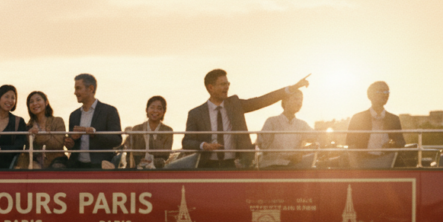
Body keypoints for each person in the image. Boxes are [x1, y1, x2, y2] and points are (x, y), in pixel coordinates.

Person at [182, 69, 310, 168]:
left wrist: (292, 88)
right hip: (206, 166)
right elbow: (186, 142)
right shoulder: (196, 113)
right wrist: (204, 145)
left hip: (232, 166)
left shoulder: (235, 104)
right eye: (222, 84)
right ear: (211, 87)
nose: (227, 87)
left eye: (228, 83)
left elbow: (262, 101)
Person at [64, 74, 122, 168]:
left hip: (100, 166)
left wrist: (94, 133)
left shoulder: (109, 111)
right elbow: (73, 147)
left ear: (91, 88)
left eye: (78, 88)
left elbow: (117, 140)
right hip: (77, 167)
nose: (75, 92)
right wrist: (70, 142)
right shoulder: (74, 115)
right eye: (75, 89)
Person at [347, 81, 406, 169]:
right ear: (370, 95)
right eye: (380, 91)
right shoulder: (357, 118)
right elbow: (350, 143)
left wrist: (392, 144)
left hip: (388, 163)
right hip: (363, 163)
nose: (385, 95)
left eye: (387, 92)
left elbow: (401, 142)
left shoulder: (394, 119)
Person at [257, 90, 318, 168]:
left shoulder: (302, 124)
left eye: (301, 100)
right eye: (296, 99)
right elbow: (262, 145)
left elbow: (316, 137)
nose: (299, 103)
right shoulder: (272, 121)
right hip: (272, 166)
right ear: (285, 101)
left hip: (293, 166)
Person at [126, 96, 174, 169]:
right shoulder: (137, 129)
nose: (155, 111)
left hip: (159, 169)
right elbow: (130, 154)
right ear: (146, 110)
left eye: (159, 108)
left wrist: (151, 162)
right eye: (152, 107)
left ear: (164, 111)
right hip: (137, 170)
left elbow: (165, 155)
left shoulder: (168, 130)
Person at [24, 91, 68, 168]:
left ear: (46, 102)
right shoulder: (28, 126)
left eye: (38, 100)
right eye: (31, 102)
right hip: (36, 162)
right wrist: (29, 137)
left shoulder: (57, 121)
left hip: (57, 161)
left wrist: (39, 135)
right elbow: (28, 151)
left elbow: (58, 144)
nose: (35, 103)